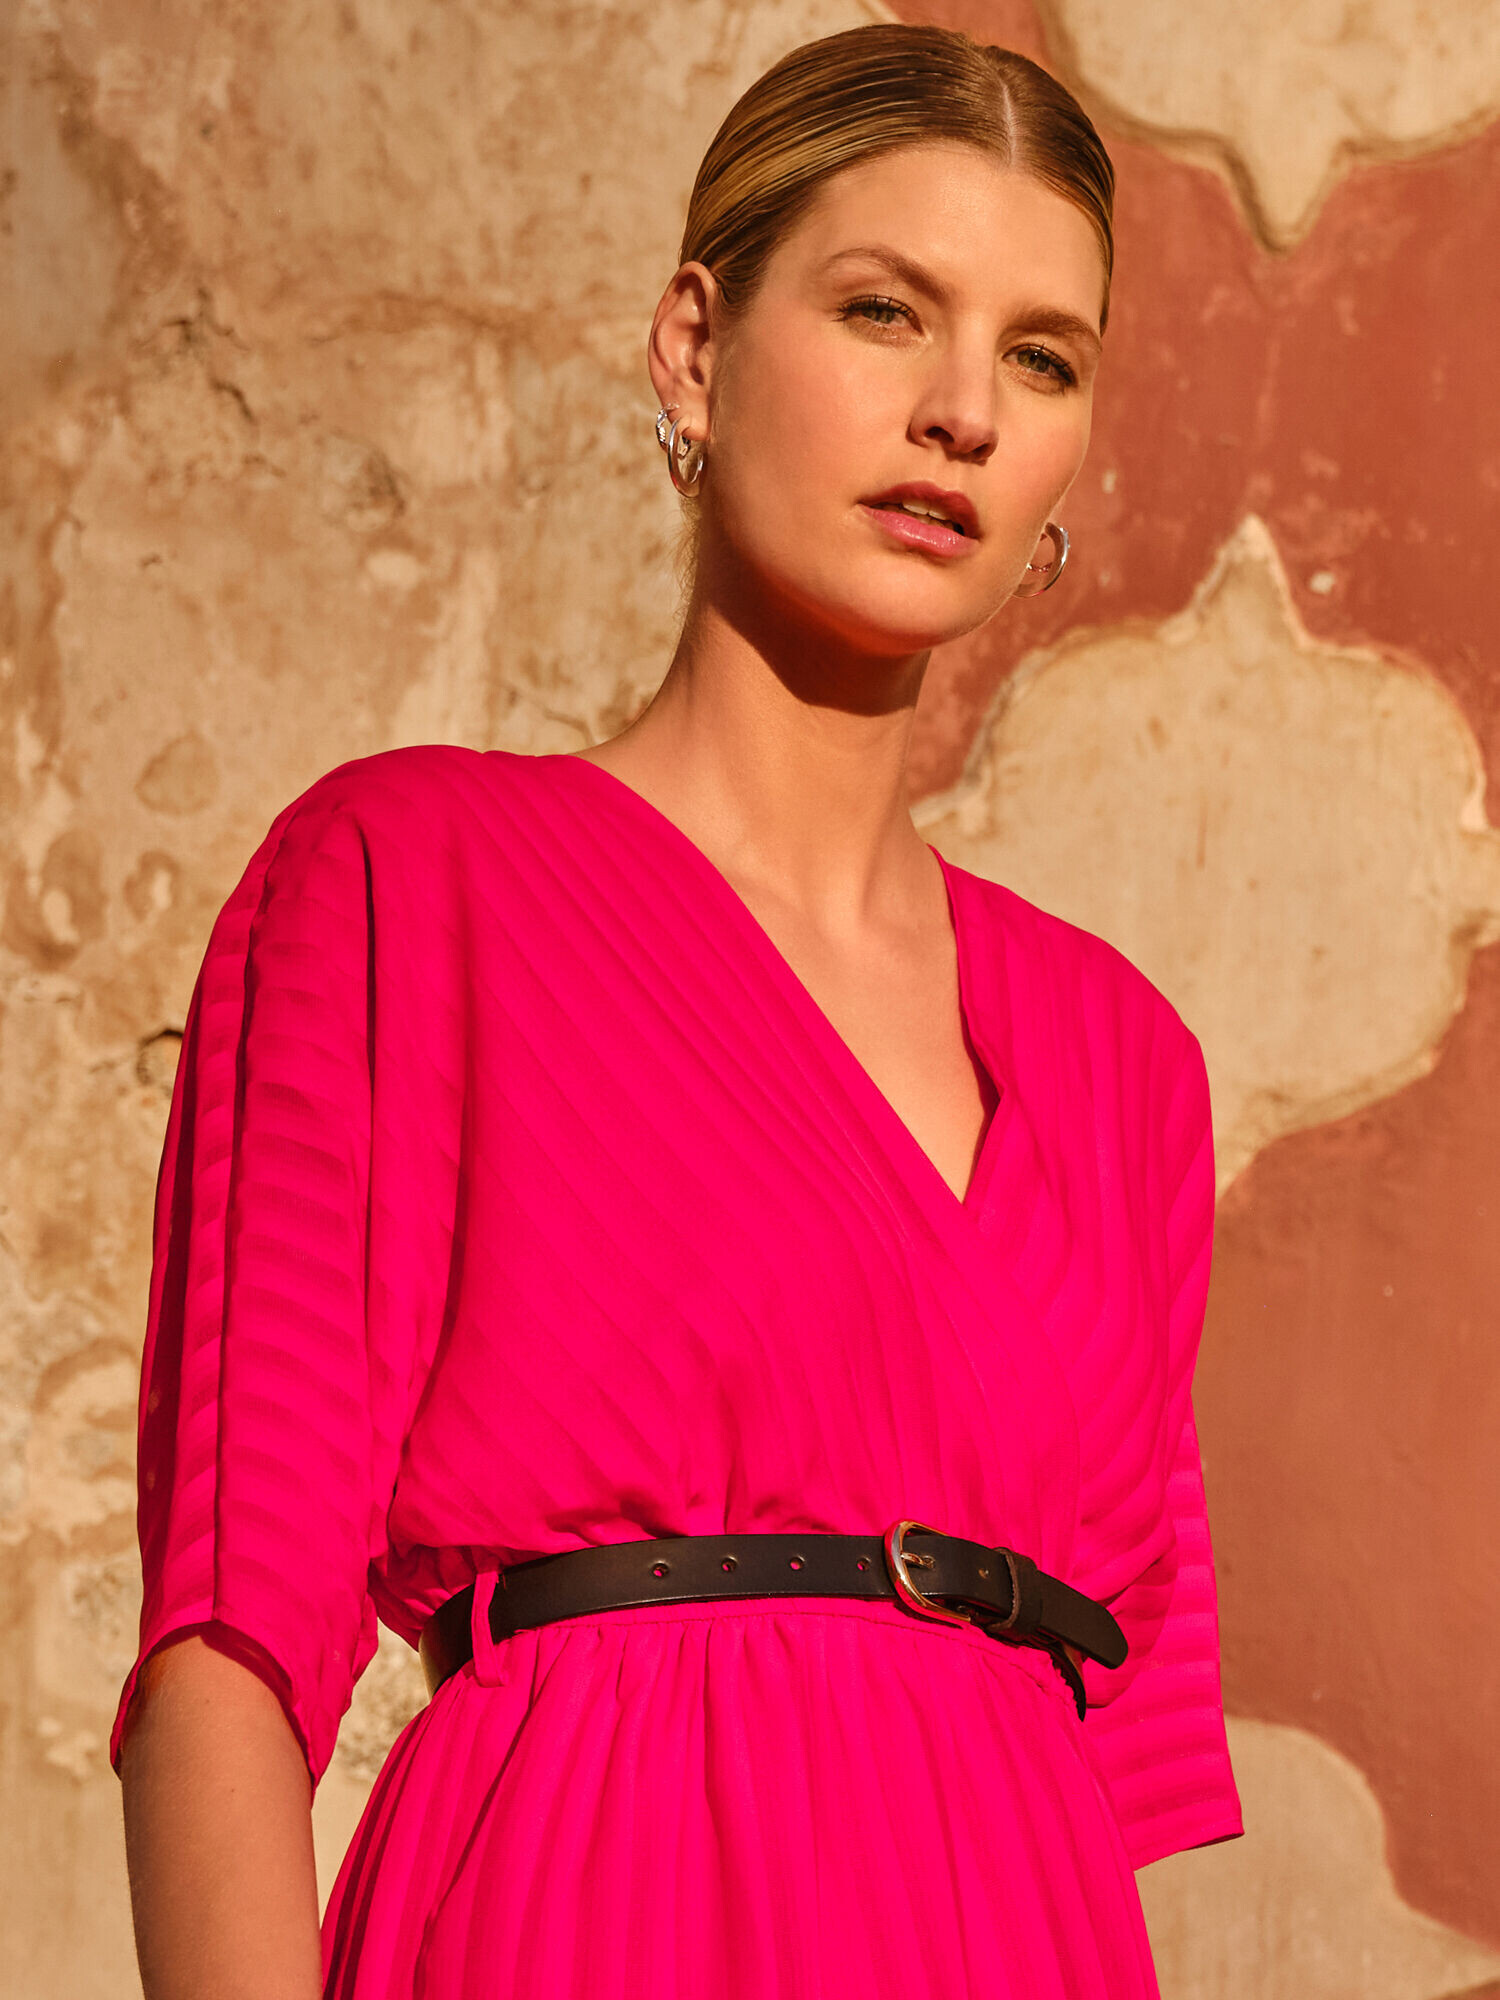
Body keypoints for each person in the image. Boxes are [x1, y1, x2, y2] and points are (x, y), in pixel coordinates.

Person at [114, 22, 1242, 2000]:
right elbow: (228, 1641)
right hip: (584, 1910)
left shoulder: (1121, 1056)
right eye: (886, 311)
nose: (963, 412)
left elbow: (1119, 1770)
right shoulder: (407, 879)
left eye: (1042, 356)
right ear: (695, 350)